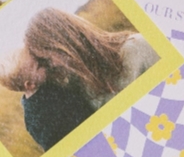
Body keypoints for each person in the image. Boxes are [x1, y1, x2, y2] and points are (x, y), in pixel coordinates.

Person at [24, 7, 160, 110]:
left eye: (49, 57)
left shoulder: (139, 48)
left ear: (64, 40)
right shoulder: (76, 86)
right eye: (44, 62)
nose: (53, 64)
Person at [0, 46, 95, 151]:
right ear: (30, 85)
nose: (44, 63)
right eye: (39, 65)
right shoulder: (39, 115)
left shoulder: (42, 87)